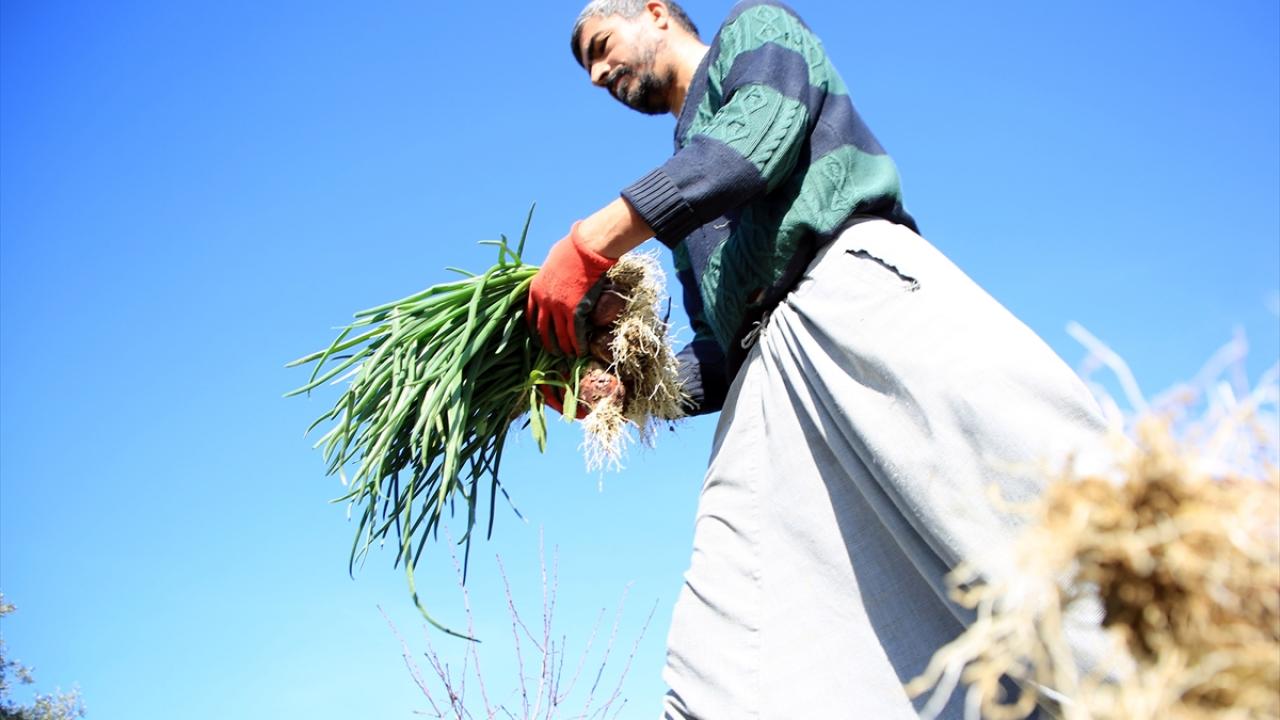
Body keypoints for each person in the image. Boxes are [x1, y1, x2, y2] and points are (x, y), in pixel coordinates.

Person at [527, 1, 1109, 717]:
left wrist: (593, 239)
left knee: (1019, 533)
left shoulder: (754, 31)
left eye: (601, 45)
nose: (596, 74)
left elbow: (750, 146)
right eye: (588, 63)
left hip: (855, 298)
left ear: (654, 13)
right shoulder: (681, 206)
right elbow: (718, 349)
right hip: (768, 389)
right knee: (731, 659)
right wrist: (628, 388)